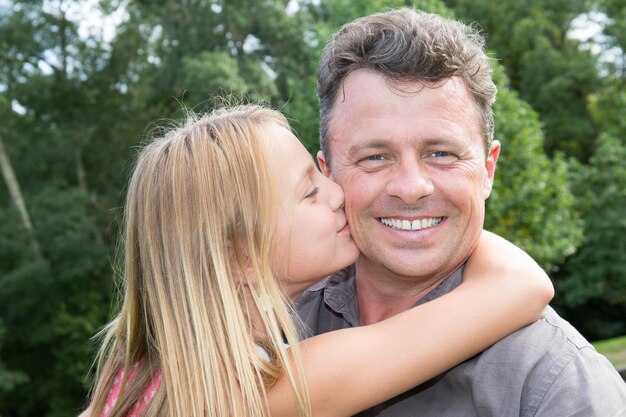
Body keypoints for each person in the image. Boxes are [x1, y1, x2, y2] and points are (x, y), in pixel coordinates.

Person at [80, 104, 553, 417]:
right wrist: (449, 205)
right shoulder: (269, 390)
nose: (337, 192)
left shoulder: (136, 373)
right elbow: (521, 286)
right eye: (309, 190)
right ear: (241, 256)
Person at [296, 7, 626, 417]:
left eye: (440, 153)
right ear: (328, 174)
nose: (412, 187)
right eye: (375, 156)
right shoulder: (267, 327)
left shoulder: (555, 387)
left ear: (488, 169)